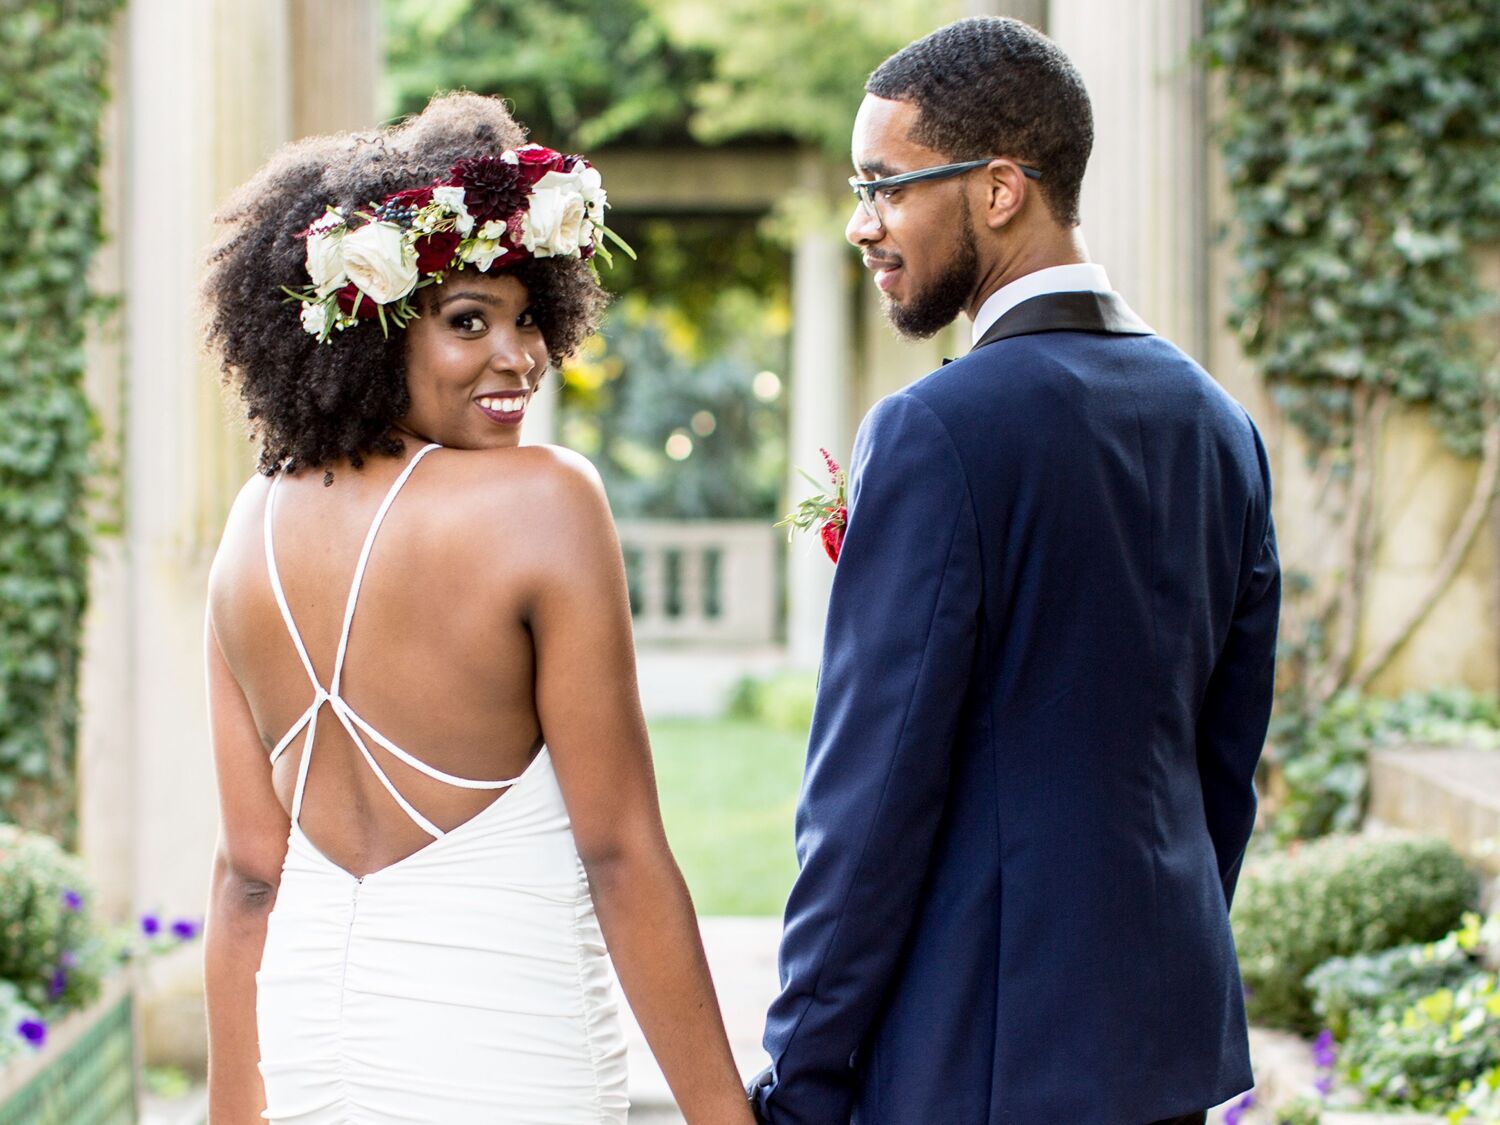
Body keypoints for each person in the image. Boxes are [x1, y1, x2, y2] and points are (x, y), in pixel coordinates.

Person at [750, 17, 1279, 1125]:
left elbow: (870, 802)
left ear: (998, 190)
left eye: (888, 186)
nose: (862, 223)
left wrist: (801, 1076)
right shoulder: (1219, 427)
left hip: (979, 1069)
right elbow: (1220, 770)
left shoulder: (940, 430)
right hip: (1164, 1054)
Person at [200, 93, 754, 1125]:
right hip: (503, 1049)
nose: (521, 357)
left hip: (310, 1043)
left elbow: (246, 880)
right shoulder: (545, 501)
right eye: (467, 321)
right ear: (367, 335)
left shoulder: (248, 529)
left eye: (528, 315)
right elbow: (621, 851)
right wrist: (725, 1115)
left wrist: (234, 1111)